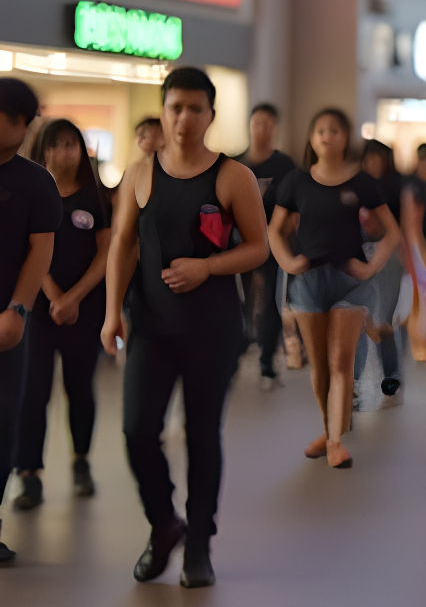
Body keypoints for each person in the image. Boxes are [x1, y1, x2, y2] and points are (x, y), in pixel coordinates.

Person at [102, 67, 270, 587]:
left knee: (202, 436)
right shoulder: (140, 172)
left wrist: (207, 267)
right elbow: (123, 245)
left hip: (211, 331)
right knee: (136, 432)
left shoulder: (231, 176)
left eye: (195, 109)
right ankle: (164, 524)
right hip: (150, 326)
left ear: (211, 115)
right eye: (175, 107)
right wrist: (112, 313)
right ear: (163, 110)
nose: (183, 118)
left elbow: (258, 248)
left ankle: (199, 542)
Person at [267, 110, 401, 470]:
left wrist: (371, 267)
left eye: (335, 130)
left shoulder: (362, 182)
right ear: (312, 138)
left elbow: (392, 231)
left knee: (341, 360)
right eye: (321, 129)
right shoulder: (296, 181)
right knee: (321, 367)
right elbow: (274, 229)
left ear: (346, 138)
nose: (327, 136)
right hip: (309, 281)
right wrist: (287, 262)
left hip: (350, 281)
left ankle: (335, 442)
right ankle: (329, 431)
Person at [13, 117, 110, 513]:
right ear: (45, 149)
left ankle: (81, 462)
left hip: (83, 313)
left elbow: (106, 253)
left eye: (73, 144)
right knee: (32, 394)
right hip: (38, 313)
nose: (66, 151)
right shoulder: (33, 193)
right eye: (58, 144)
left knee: (80, 389)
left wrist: (74, 298)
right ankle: (29, 474)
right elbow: (26, 250)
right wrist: (53, 294)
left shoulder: (93, 198)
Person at [0, 79, 58, 565]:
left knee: (3, 425)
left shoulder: (37, 183)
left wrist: (19, 308)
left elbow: (41, 250)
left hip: (7, 324)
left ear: (21, 123)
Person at [236, 101, 294, 391]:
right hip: (237, 243)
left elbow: (292, 208)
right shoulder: (235, 163)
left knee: (270, 299)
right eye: (257, 123)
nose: (262, 129)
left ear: (275, 128)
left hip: (271, 242)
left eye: (267, 124)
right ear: (250, 125)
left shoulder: (284, 166)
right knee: (238, 298)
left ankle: (267, 359)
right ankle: (235, 348)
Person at [350, 140, 406, 408]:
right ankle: (355, 380)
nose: (375, 163)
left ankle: (390, 374)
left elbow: (404, 228)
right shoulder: (353, 185)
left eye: (380, 158)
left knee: (383, 319)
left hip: (390, 259)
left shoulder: (395, 187)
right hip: (360, 256)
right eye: (370, 158)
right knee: (359, 318)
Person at [403, 142, 426, 361]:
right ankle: (421, 343)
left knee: (423, 296)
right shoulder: (413, 186)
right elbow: (411, 225)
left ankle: (423, 342)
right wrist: (420, 252)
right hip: (417, 247)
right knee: (423, 295)